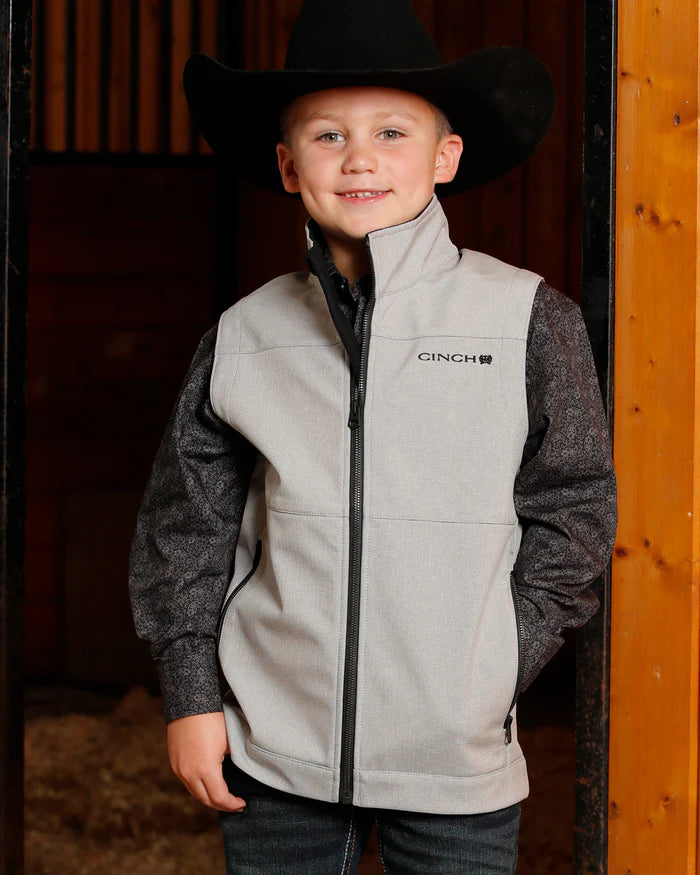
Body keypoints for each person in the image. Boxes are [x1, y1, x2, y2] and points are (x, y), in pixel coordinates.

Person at [128, 1, 618, 871]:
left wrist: (491, 665)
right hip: (273, 758)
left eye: (392, 132)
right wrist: (192, 697)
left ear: (445, 156)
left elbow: (575, 507)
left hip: (455, 763)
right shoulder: (243, 336)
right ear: (288, 165)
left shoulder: (530, 320)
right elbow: (185, 531)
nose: (359, 158)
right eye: (328, 136)